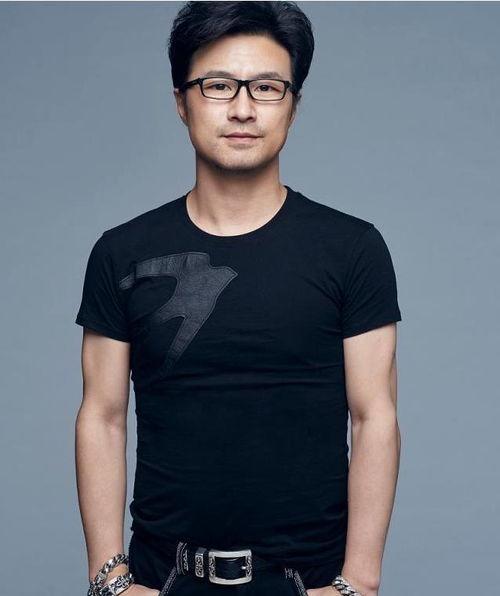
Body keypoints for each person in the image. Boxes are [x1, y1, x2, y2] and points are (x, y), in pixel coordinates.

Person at [75, 3, 402, 596]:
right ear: (182, 101)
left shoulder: (352, 249)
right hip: (164, 577)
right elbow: (102, 415)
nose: (243, 108)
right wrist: (109, 580)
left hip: (308, 579)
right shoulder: (121, 253)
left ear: (293, 106)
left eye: (268, 87)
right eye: (219, 85)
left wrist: (359, 582)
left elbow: (374, 415)